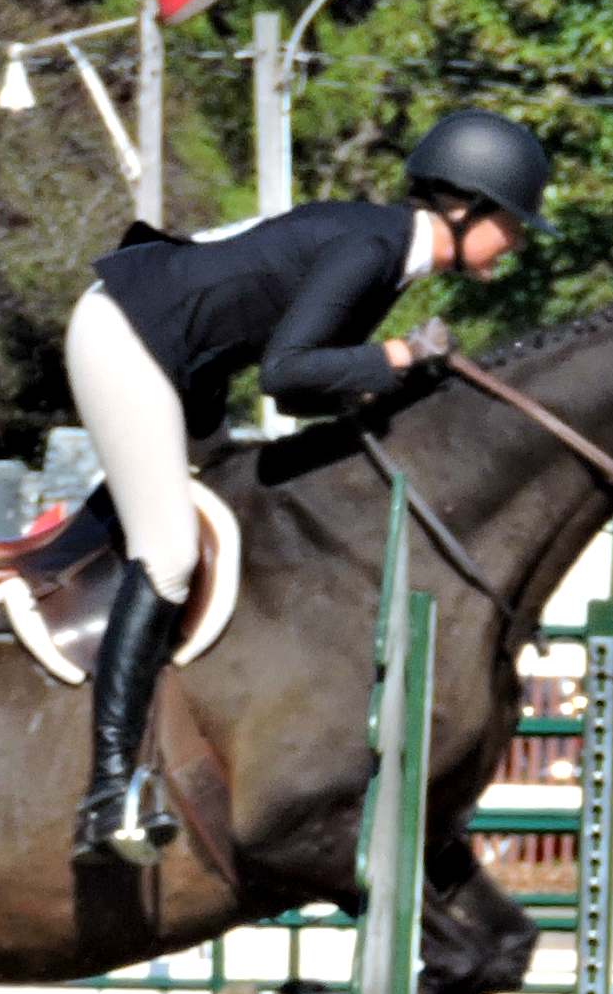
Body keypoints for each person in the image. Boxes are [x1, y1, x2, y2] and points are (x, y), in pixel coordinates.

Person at [64, 107, 554, 866]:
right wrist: (395, 355)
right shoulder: (371, 247)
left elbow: (299, 393)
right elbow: (289, 371)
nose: (516, 241)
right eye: (513, 223)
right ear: (466, 206)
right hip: (127, 337)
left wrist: (403, 378)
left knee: (222, 511)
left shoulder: (388, 251)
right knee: (167, 554)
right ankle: (106, 791)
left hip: (180, 359)